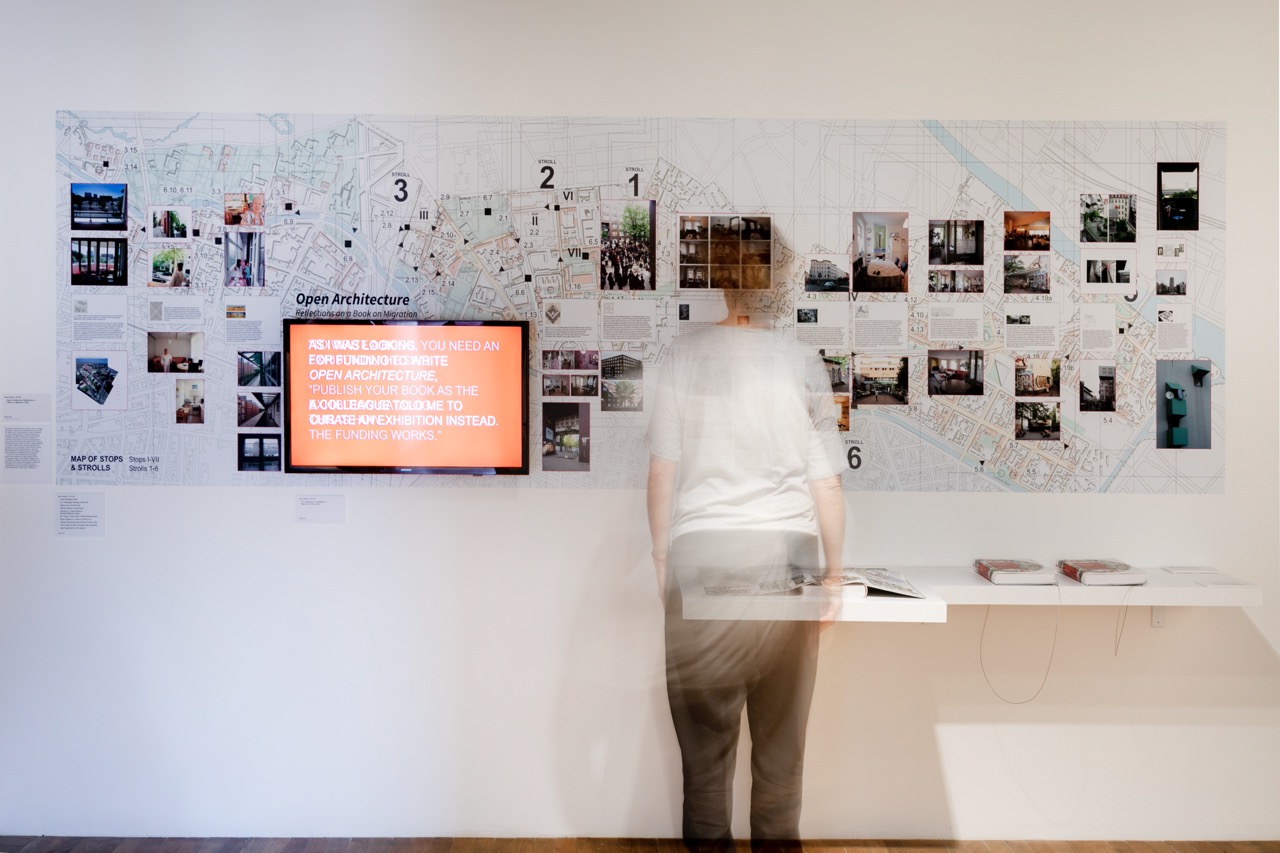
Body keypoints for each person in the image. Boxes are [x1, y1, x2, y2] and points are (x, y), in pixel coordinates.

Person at [646, 288, 846, 847]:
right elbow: (826, 481)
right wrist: (832, 578)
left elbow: (663, 472)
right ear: (777, 289)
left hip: (701, 553)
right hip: (786, 553)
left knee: (704, 752)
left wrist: (662, 559)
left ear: (725, 285)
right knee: (783, 741)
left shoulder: (683, 356)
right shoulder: (801, 361)